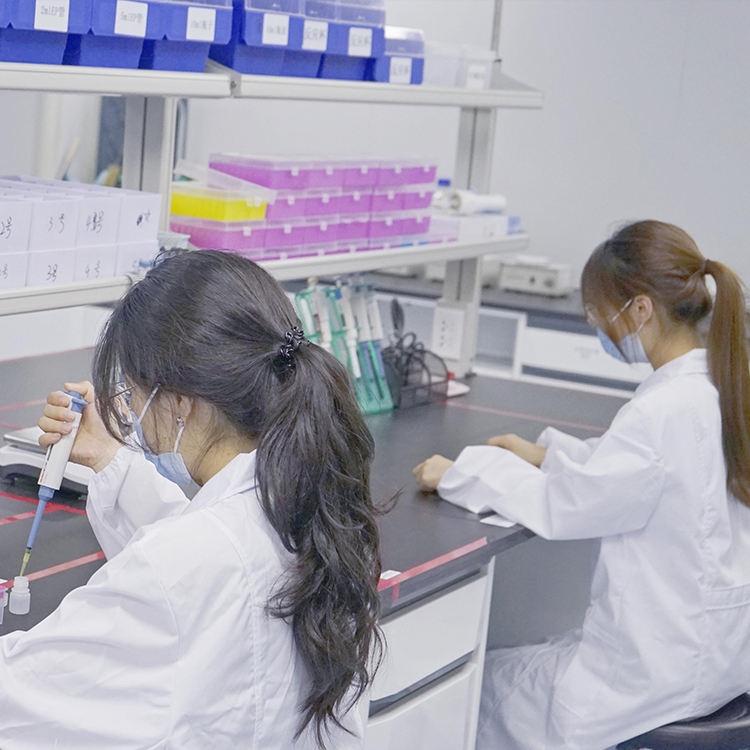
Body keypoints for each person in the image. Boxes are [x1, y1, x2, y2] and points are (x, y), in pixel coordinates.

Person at [0, 250, 383, 749]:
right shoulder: (312, 504)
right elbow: (207, 547)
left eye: (132, 393)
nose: (131, 412)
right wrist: (108, 458)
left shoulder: (181, 566)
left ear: (180, 403)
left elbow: (23, 697)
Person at [413, 220, 750, 750]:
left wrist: (460, 473)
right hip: (717, 664)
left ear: (640, 310)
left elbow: (565, 507)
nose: (600, 329)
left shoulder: (662, 410)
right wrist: (548, 455)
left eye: (598, 315)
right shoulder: (717, 385)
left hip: (648, 683)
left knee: (477, 690)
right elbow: (645, 474)